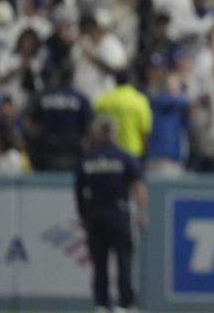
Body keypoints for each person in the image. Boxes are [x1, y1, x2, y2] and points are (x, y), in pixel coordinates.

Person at [75, 116, 146, 313]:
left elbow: (79, 190)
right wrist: (142, 212)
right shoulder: (124, 157)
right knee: (124, 261)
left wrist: (82, 214)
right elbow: (138, 186)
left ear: (97, 133)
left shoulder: (88, 158)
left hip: (95, 214)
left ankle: (101, 303)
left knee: (100, 264)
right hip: (118, 213)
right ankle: (125, 303)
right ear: (115, 133)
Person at [92, 70, 152, 159]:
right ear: (131, 81)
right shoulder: (140, 100)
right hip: (132, 151)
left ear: (115, 81)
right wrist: (144, 153)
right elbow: (145, 131)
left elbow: (93, 126)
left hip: (109, 153)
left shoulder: (103, 100)